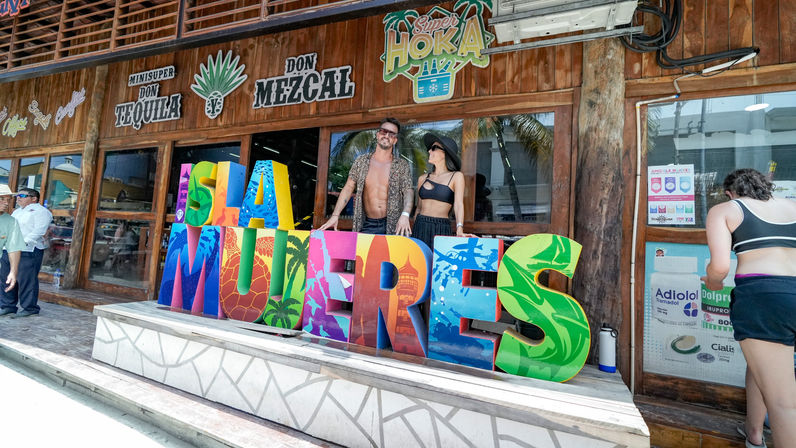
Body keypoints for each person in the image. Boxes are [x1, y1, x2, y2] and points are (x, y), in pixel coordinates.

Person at [703, 168, 796, 448]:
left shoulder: (725, 210)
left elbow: (719, 267)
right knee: (762, 367)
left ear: (730, 193)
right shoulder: (792, 206)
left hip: (764, 297)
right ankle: (754, 434)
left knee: (784, 404)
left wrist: (713, 282)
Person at [319, 118, 413, 236]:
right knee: (362, 254)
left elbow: (408, 191)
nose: (387, 136)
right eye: (384, 132)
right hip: (367, 224)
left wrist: (405, 215)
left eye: (391, 134)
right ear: (377, 135)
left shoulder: (401, 165)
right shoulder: (361, 161)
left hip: (394, 224)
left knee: (391, 255)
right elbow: (348, 187)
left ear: (395, 140)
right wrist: (335, 216)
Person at [411, 133, 469, 251]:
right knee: (419, 266)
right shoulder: (422, 178)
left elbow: (458, 204)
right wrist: (413, 230)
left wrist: (459, 228)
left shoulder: (456, 176)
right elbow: (419, 208)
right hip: (420, 226)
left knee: (438, 266)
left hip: (441, 228)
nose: (429, 151)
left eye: (433, 148)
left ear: (445, 153)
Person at [3, 187, 53, 317]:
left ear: (34, 198)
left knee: (26, 280)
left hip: (28, 250)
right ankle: (8, 305)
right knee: (5, 277)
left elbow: (39, 231)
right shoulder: (17, 212)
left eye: (22, 195)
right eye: (17, 195)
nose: (18, 197)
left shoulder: (41, 211)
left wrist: (21, 242)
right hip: (9, 249)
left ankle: (29, 308)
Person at [0, 184, 26, 316]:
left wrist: (13, 272)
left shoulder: (11, 222)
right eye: (2, 198)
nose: (6, 203)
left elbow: (14, 248)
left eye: (8, 199)